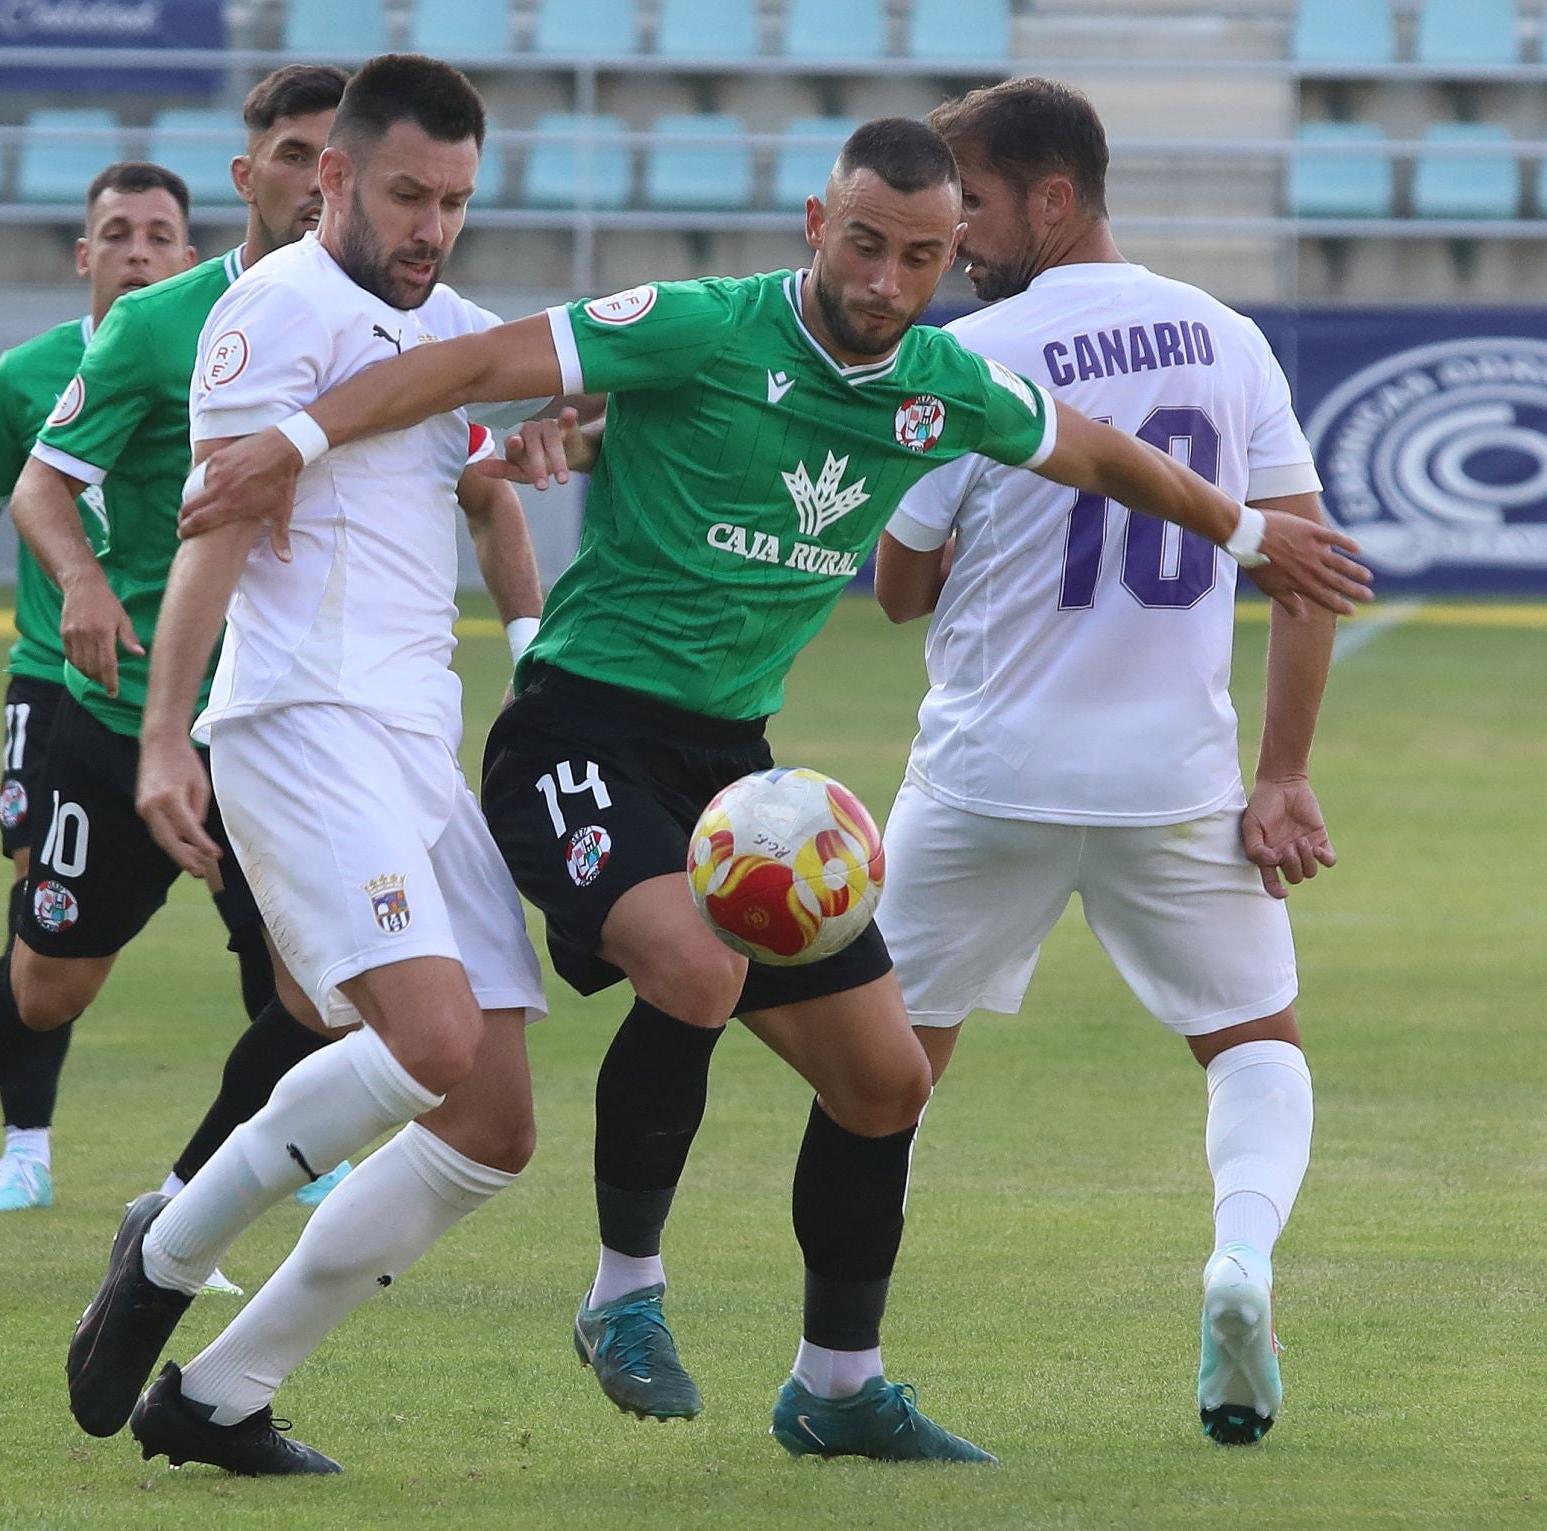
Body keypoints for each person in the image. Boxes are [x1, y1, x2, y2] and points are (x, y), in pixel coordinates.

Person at [176, 116, 1370, 1461]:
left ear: (953, 251)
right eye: (864, 243)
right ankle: (624, 1290)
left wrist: (1252, 530)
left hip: (733, 760)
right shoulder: (696, 325)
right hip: (580, 728)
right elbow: (481, 362)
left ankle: (839, 1385)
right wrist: (295, 435)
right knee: (695, 965)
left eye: (921, 254)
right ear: (818, 223)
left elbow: (1101, 455)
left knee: (886, 1078)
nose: (885, 279)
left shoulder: (945, 381)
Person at [63, 55, 547, 1476]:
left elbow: (488, 479)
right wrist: (167, 736)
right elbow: (214, 526)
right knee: (429, 1041)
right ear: (331, 174)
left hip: (415, 738)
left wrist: (534, 613)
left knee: (495, 1122)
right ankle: (170, 1235)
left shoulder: (454, 326)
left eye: (456, 200)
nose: (432, 226)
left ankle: (220, 1394)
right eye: (408, 193)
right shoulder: (270, 310)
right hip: (298, 717)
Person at [868, 78, 1334, 1448]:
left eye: (972, 201)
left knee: (884, 1079)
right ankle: (1239, 1261)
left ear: (1052, 198)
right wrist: (1285, 774)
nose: (951, 233)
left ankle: (840, 1361)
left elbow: (897, 587)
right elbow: (1307, 571)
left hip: (982, 777)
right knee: (1254, 1045)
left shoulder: (977, 351)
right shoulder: (1226, 338)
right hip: (1175, 782)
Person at [0, 64, 354, 1280]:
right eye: (297, 154)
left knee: (316, 998)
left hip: (285, 727)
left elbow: (476, 427)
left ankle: (178, 1217)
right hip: (125, 716)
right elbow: (40, 487)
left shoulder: (388, 321)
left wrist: (534, 439)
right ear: (251, 175)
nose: (321, 181)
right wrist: (85, 585)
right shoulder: (159, 326)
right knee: (49, 986)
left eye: (338, 155)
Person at [0, 161, 196, 1213]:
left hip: (202, 691)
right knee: (38, 906)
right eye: (117, 233)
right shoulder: (27, 377)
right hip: (55, 678)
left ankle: (268, 1163)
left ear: (187, 254)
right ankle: (25, 1144)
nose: (138, 252)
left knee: (274, 915)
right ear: (84, 255)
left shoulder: (229, 360)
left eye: (158, 234)